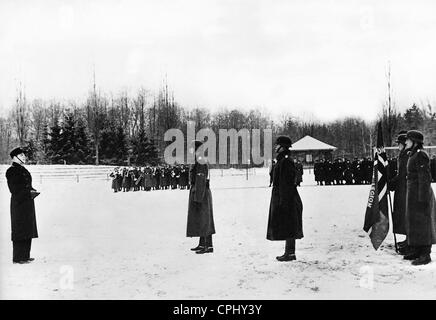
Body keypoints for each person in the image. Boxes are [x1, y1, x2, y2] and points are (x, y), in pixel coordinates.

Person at [267, 136, 303, 261]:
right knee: (288, 223)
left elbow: (286, 183)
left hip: (287, 197)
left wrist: (284, 200)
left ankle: (290, 253)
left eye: (277, 145)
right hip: (284, 196)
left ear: (282, 147)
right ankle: (289, 252)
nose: (275, 147)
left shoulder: (286, 161)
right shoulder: (282, 160)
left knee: (289, 223)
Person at [403, 130, 436, 266]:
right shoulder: (413, 154)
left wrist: (422, 199)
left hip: (419, 194)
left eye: (408, 140)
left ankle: (425, 253)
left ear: (415, 142)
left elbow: (424, 178)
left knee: (423, 223)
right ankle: (417, 249)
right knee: (414, 222)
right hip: (413, 194)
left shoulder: (421, 155)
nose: (405, 142)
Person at [5, 147, 39, 264]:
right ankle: (18, 257)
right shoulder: (11, 171)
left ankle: (25, 256)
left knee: (27, 228)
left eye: (24, 155)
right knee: (19, 229)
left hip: (28, 203)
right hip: (18, 204)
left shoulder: (23, 170)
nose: (24, 157)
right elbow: (14, 189)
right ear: (15, 157)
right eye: (22, 155)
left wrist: (32, 191)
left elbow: (27, 185)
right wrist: (27, 193)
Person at [186, 140, 215, 254]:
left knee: (204, 219)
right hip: (199, 191)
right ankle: (203, 244)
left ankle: (208, 246)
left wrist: (198, 196)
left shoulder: (201, 160)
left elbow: (200, 179)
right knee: (201, 219)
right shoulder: (198, 159)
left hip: (201, 192)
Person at [388, 131, 408, 254]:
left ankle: (409, 240)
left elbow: (402, 174)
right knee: (402, 214)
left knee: (406, 214)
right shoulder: (403, 154)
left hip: (405, 189)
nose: (398, 146)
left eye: (399, 144)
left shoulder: (406, 155)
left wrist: (392, 182)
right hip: (402, 188)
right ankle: (407, 239)